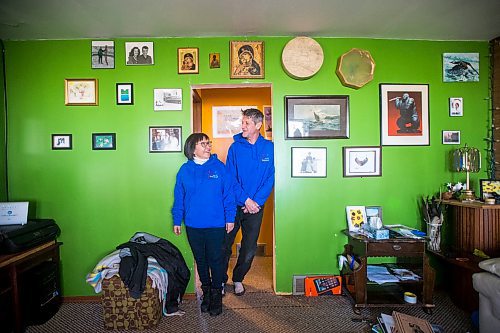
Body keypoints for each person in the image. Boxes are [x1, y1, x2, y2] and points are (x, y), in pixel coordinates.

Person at [172, 133, 235, 316]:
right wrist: (178, 219)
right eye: (203, 144)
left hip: (216, 224)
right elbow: (179, 197)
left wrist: (230, 218)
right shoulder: (184, 170)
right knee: (201, 260)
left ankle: (216, 295)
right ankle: (206, 292)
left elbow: (228, 195)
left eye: (209, 143)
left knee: (216, 260)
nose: (208, 146)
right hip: (193, 225)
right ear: (193, 149)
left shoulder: (219, 168)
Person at [222, 108, 275, 296]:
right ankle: (221, 280)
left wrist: (255, 202)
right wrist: (245, 199)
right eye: (242, 122)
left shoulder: (270, 148)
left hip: (256, 208)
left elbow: (270, 178)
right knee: (224, 244)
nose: (242, 126)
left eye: (246, 123)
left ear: (258, 125)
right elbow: (230, 178)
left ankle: (238, 279)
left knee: (249, 247)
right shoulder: (235, 148)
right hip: (232, 206)